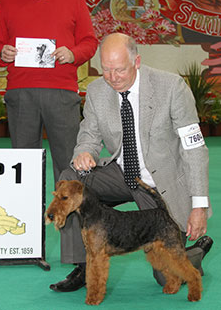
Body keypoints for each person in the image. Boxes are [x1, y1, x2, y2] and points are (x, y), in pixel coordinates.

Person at [50, 32, 213, 292]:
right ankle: (83, 264)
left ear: (137, 62)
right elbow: (89, 135)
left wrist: (199, 205)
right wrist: (85, 152)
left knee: (166, 276)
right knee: (71, 177)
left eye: (120, 70)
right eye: (106, 70)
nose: (112, 78)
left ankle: (194, 252)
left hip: (161, 186)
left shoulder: (171, 88)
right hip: (121, 174)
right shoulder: (96, 91)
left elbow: (194, 149)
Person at [0, 0, 98, 182]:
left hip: (62, 93)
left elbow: (90, 42)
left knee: (68, 165)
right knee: (24, 166)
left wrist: (73, 54)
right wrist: (3, 53)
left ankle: (70, 222)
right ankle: (28, 220)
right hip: (21, 93)